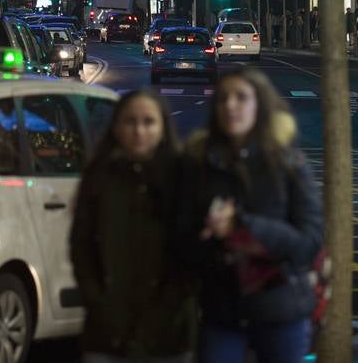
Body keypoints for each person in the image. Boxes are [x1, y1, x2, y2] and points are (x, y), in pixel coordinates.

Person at [179, 66, 323, 363]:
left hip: (280, 308)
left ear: (260, 105)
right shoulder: (199, 164)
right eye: (223, 99)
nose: (230, 106)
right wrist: (207, 235)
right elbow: (180, 240)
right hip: (221, 311)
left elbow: (308, 243)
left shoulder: (288, 164)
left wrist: (244, 226)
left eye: (241, 98)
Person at [70, 89, 195, 363]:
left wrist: (171, 307)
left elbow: (192, 253)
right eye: (130, 121)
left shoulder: (183, 178)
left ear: (163, 127)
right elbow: (81, 244)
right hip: (108, 331)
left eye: (148, 122)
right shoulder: (99, 176)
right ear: (116, 126)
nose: (139, 131)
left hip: (168, 334)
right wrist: (97, 299)